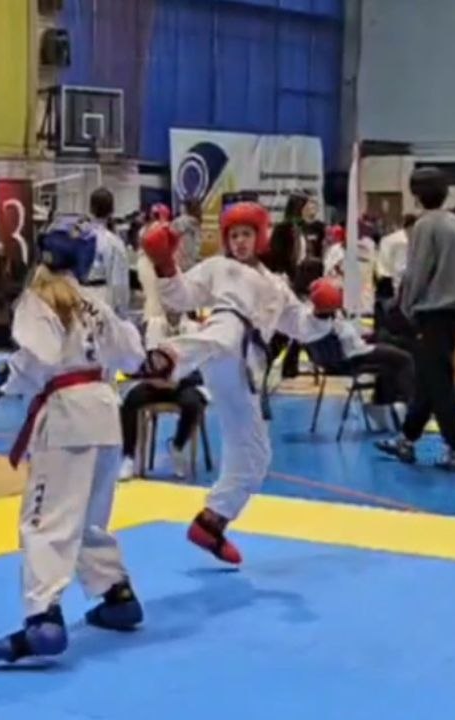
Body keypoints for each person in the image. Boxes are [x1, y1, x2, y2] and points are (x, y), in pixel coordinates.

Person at [0, 220, 147, 663]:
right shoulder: (96, 304)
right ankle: (116, 595)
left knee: (45, 521)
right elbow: (133, 356)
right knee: (88, 519)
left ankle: (42, 620)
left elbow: (38, 357)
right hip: (107, 413)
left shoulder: (39, 299)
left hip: (67, 417)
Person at [140, 202, 337, 565]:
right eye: (234, 235)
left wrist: (324, 311)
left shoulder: (276, 287)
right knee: (226, 331)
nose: (240, 242)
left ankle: (212, 521)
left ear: (259, 237)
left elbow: (303, 327)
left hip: (247, 370)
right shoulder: (219, 268)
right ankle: (167, 358)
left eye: (246, 234)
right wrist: (166, 266)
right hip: (221, 343)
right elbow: (180, 296)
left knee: (256, 456)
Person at [376, 167, 455, 472]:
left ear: (416, 194)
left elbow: (417, 273)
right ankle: (407, 439)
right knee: (430, 379)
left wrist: (403, 308)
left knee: (440, 382)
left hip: (432, 311)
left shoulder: (424, 226)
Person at [118, 312, 207, 480]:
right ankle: (128, 456)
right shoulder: (153, 325)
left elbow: (198, 366)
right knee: (130, 400)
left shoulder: (194, 329)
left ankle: (178, 446)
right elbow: (145, 361)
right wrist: (153, 379)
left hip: (182, 383)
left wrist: (177, 380)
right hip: (155, 383)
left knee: (193, 403)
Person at [84, 188, 131, 317]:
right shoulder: (114, 243)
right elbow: (118, 284)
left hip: (78, 299)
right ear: (112, 211)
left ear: (91, 209)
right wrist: (121, 314)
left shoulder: (77, 237)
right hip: (101, 299)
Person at [375, 214, 416, 313]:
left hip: (385, 281)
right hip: (396, 286)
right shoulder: (405, 240)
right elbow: (400, 269)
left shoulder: (389, 239)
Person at [170, 198, 205, 270]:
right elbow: (196, 247)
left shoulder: (178, 222)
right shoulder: (196, 224)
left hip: (178, 264)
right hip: (190, 265)